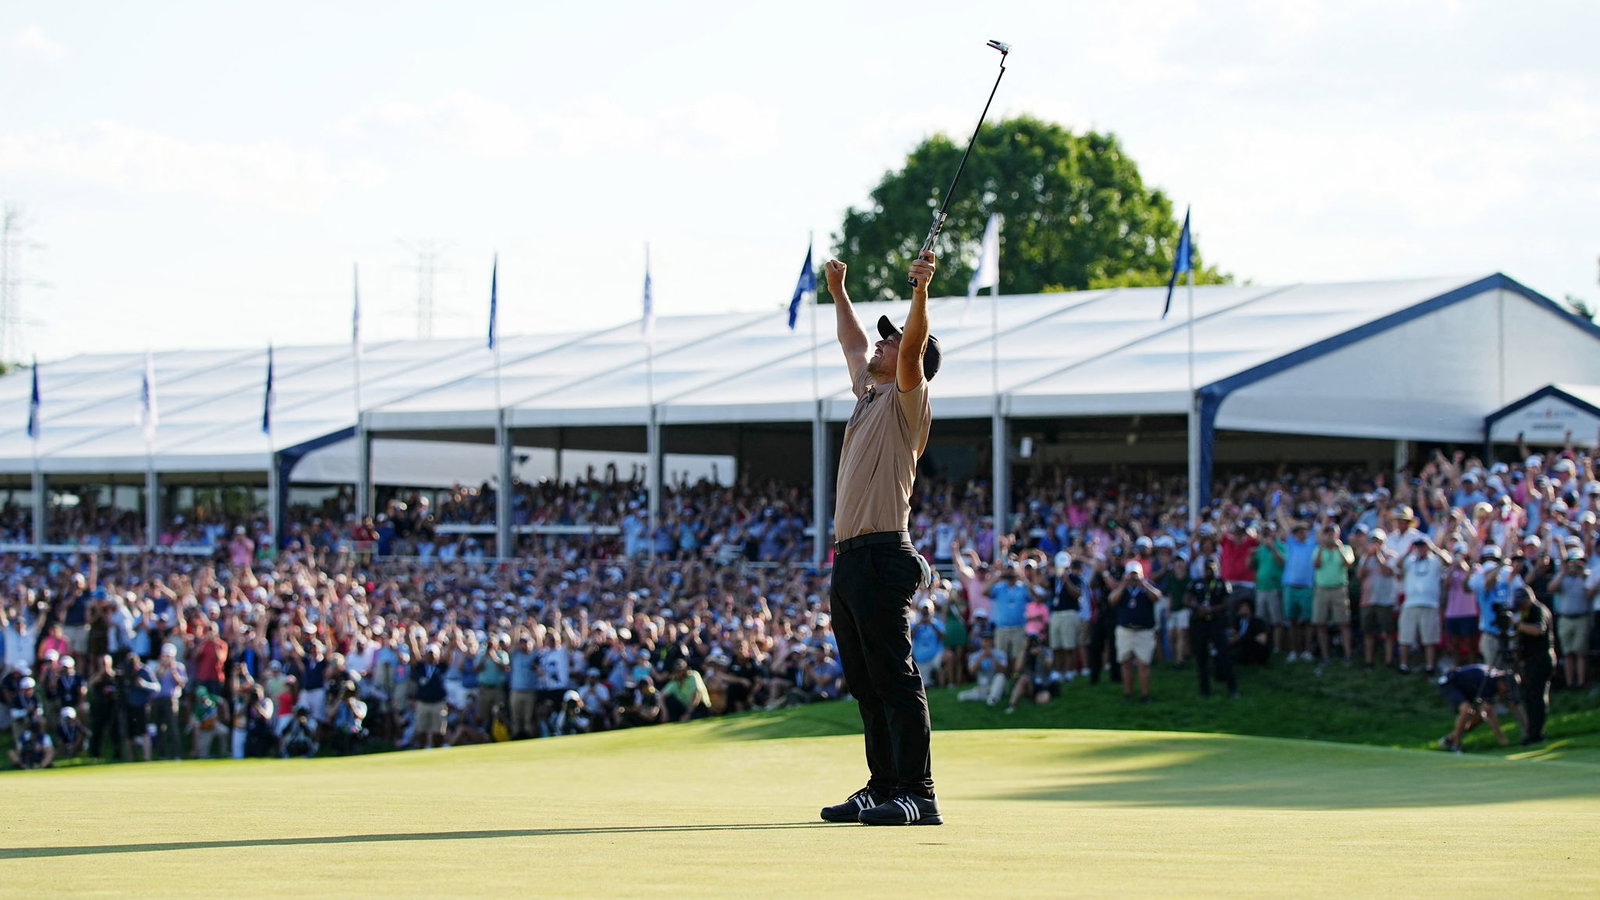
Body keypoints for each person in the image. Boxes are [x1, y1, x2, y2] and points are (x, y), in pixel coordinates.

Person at [818, 251, 945, 827]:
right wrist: (838, 290)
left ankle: (918, 793)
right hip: (850, 559)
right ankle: (883, 785)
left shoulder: (905, 398)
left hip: (882, 553)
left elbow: (912, 350)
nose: (880, 343)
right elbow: (851, 343)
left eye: (889, 341)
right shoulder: (870, 393)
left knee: (895, 678)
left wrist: (920, 293)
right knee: (867, 684)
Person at [1436, 663, 1521, 752]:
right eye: (1507, 688)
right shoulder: (1489, 680)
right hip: (1450, 682)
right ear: (1502, 681)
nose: (1506, 692)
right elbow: (1489, 713)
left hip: (1466, 688)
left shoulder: (1494, 680)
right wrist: (1502, 739)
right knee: (1466, 710)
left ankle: (1450, 739)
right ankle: (1456, 744)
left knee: (1479, 717)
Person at [1109, 560, 1162, 703]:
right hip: (1125, 630)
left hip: (1144, 631)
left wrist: (1144, 584)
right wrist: (1123, 585)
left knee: (1144, 664)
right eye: (1131, 575)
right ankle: (1128, 693)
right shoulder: (1123, 589)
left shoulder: (1146, 588)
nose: (1133, 578)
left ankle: (1145, 694)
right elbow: (1112, 600)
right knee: (1125, 662)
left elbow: (1157, 597)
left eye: (1135, 575)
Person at [1186, 559, 1237, 698]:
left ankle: (1232, 688)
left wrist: (1211, 610)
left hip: (1217, 623)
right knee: (1201, 657)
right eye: (1207, 568)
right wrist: (1198, 608)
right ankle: (1204, 690)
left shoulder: (1222, 583)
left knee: (1224, 655)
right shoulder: (1196, 583)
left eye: (1213, 568)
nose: (1210, 571)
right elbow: (1187, 599)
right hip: (1200, 622)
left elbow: (1227, 602)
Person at [1511, 585, 1555, 745]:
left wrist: (1517, 624)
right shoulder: (1525, 612)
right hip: (1529, 659)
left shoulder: (1538, 610)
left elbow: (1538, 630)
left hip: (1541, 658)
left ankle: (1537, 733)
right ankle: (1532, 732)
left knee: (1537, 697)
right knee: (1529, 697)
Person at [1310, 524, 1356, 662]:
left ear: (1338, 535)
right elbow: (1316, 565)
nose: (1330, 536)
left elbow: (1349, 564)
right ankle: (1325, 656)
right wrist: (1322, 548)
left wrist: (1339, 548)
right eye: (1328, 533)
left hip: (1339, 589)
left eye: (1333, 533)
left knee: (1344, 623)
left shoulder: (1345, 548)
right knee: (1320, 623)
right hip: (1322, 589)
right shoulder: (1318, 549)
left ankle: (1348, 655)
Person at [1547, 550, 1592, 689]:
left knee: (1580, 652)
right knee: (1567, 653)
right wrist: (1563, 573)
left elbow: (1590, 592)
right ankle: (1569, 683)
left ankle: (1581, 683)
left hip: (1582, 618)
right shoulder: (1562, 576)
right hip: (1565, 619)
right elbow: (1551, 588)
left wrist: (1581, 574)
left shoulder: (1586, 576)